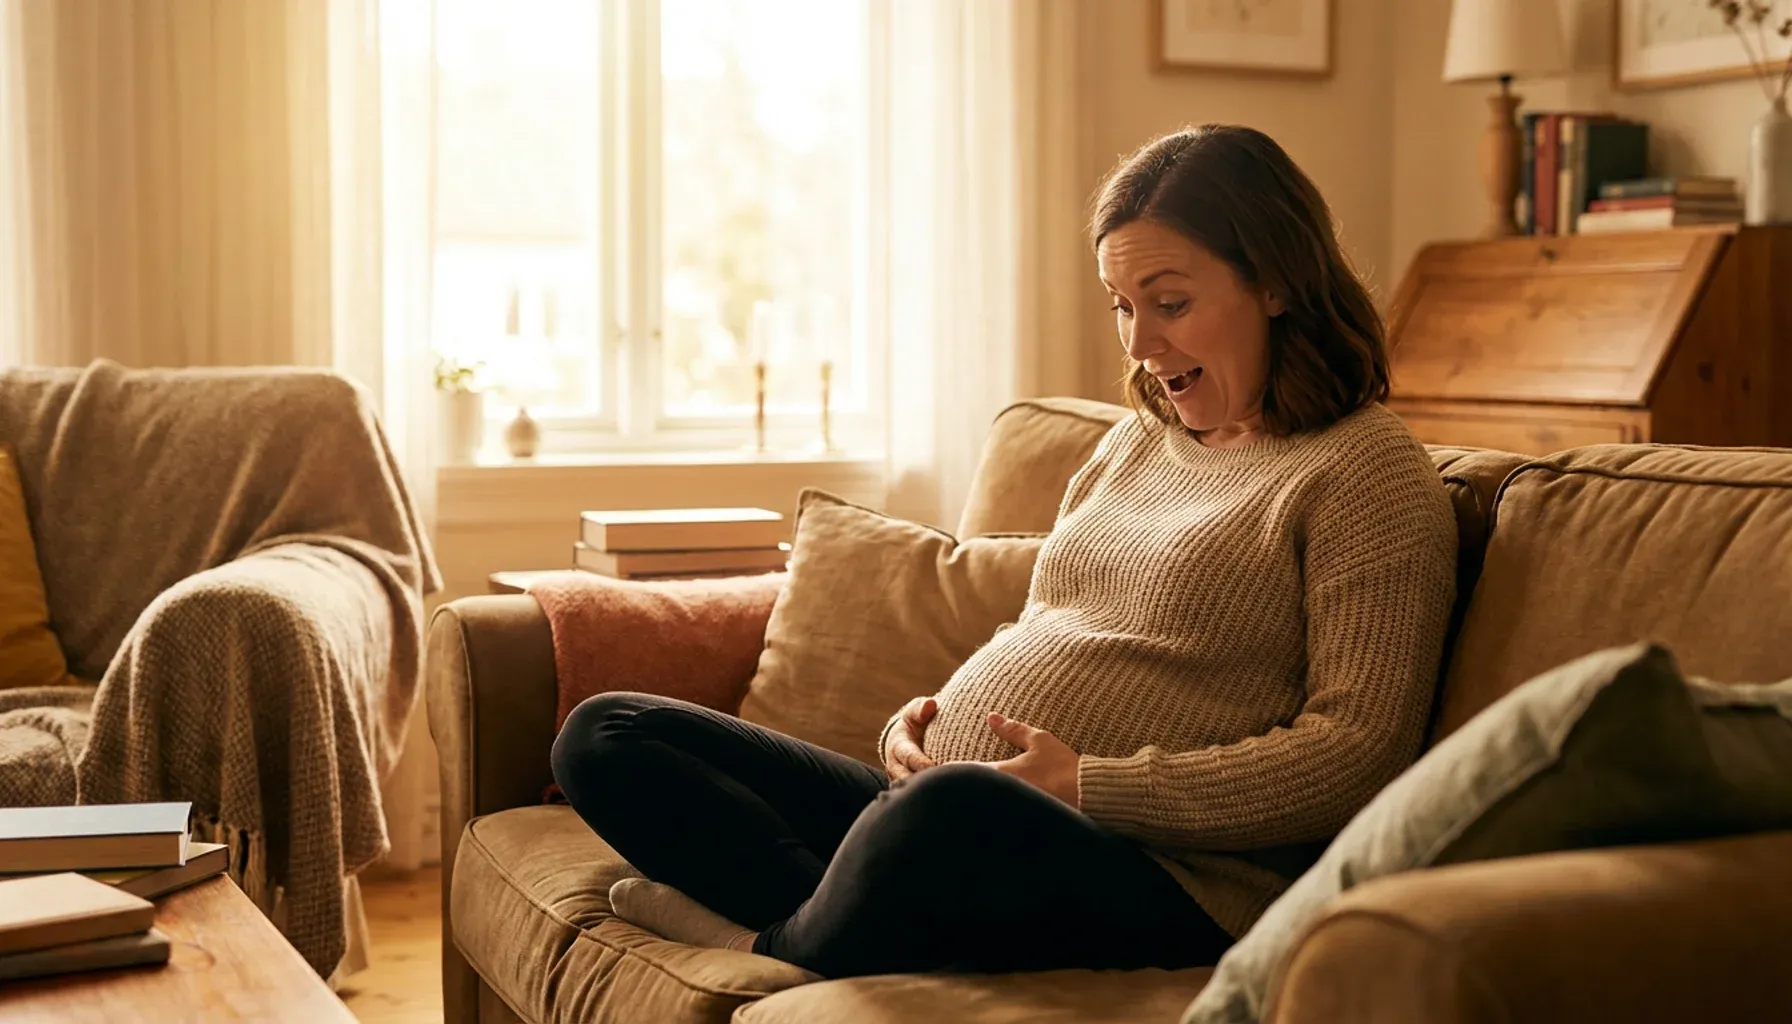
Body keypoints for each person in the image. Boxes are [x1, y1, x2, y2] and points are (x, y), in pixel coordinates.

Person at [550, 124, 1458, 980]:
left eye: (1171, 303)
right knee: (607, 733)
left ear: (1275, 281)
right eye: (1123, 307)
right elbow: (1045, 631)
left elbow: (1355, 754)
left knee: (951, 814)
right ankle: (835, 916)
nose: (1142, 346)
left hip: (1169, 878)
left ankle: (774, 939)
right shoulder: (1134, 443)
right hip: (961, 809)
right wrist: (923, 722)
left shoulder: (1366, 473)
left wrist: (1085, 786)